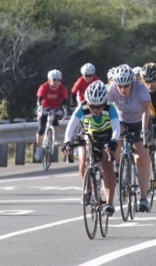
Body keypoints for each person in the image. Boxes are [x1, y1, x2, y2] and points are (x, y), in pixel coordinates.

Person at [62, 80, 119, 217]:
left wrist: (113, 141)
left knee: (107, 165)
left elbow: (116, 128)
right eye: (92, 106)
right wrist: (67, 142)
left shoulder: (110, 108)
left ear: (104, 103)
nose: (95, 110)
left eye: (99, 107)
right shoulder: (82, 107)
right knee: (84, 161)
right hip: (89, 135)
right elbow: (71, 127)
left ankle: (109, 203)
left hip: (106, 137)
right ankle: (88, 188)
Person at [108, 64, 153, 212]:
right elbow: (105, 109)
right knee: (116, 140)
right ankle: (117, 165)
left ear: (131, 82)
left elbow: (146, 111)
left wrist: (144, 130)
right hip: (120, 121)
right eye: (119, 85)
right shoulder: (112, 89)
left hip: (139, 122)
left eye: (126, 85)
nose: (122, 89)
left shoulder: (140, 88)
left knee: (142, 157)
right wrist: (113, 126)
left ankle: (144, 197)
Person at [34, 69, 69, 161]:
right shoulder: (44, 87)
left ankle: (56, 139)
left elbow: (65, 101)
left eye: (59, 80)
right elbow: (39, 99)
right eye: (54, 80)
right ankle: (39, 147)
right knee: (41, 128)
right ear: (49, 80)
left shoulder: (62, 88)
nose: (57, 82)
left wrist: (65, 110)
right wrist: (39, 108)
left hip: (55, 107)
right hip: (44, 107)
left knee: (54, 121)